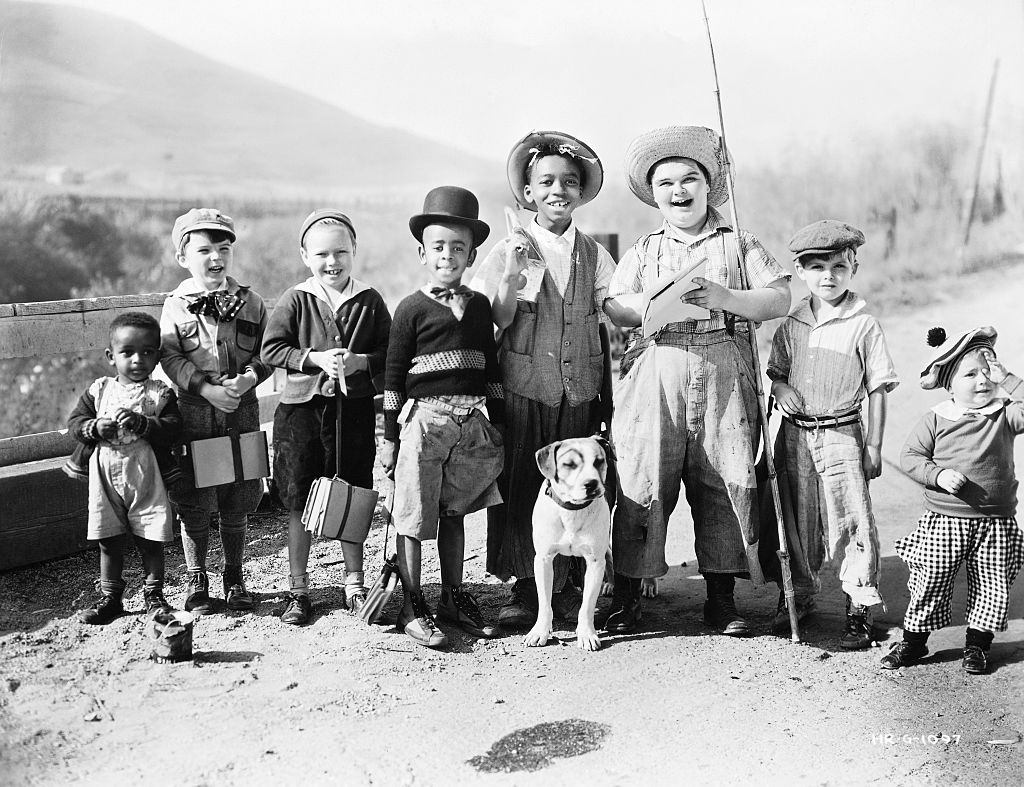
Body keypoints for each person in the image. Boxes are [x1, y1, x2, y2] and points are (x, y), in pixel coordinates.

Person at [603, 125, 791, 636]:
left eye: (690, 180)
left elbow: (779, 299)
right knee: (644, 476)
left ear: (710, 187)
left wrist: (727, 298)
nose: (679, 191)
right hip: (657, 367)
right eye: (666, 184)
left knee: (726, 477)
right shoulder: (644, 250)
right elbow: (616, 306)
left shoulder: (739, 242)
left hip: (724, 366)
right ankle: (628, 593)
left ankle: (721, 598)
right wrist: (650, 304)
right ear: (654, 196)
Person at [469, 130, 615, 627]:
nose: (559, 189)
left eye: (570, 182)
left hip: (580, 388)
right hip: (523, 386)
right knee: (520, 479)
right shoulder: (508, 249)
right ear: (528, 192)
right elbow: (497, 317)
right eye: (547, 181)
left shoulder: (596, 255)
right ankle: (525, 587)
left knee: (583, 475)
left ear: (581, 193)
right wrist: (511, 272)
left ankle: (577, 587)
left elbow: (614, 310)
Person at [381, 186, 505, 648]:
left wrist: (500, 421)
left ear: (472, 256)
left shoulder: (478, 307)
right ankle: (413, 604)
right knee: (412, 516)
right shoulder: (410, 309)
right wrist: (390, 439)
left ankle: (453, 595)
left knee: (455, 512)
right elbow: (393, 377)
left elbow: (490, 367)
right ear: (421, 253)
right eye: (438, 247)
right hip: (424, 424)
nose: (448, 255)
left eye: (458, 248)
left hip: (469, 424)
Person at [766, 220, 898, 648]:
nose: (828, 276)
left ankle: (859, 602)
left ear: (853, 267)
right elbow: (777, 373)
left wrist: (874, 445)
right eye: (817, 267)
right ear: (801, 272)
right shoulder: (792, 322)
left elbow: (878, 389)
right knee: (798, 517)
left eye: (839, 266)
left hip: (842, 433)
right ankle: (799, 594)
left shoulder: (864, 324)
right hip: (795, 436)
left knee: (851, 516)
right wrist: (781, 388)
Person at [262, 210, 391, 625]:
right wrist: (311, 357)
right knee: (298, 500)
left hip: (351, 416)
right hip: (300, 417)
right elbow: (271, 350)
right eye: (321, 254)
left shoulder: (369, 300)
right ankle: (298, 589)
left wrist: (360, 363)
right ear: (304, 255)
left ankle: (354, 584)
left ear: (354, 251)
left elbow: (390, 354)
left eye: (341, 252)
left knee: (352, 494)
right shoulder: (295, 298)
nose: (332, 262)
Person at [882, 327, 1024, 674]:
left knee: (993, 585)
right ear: (949, 383)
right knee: (931, 580)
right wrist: (938, 475)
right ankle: (914, 642)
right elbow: (912, 456)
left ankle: (977, 646)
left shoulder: (1004, 414)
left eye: (988, 372)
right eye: (970, 374)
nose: (982, 381)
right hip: (945, 519)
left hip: (995, 522)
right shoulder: (937, 418)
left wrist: (1009, 379)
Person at [160, 208, 272, 615]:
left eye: (223, 248)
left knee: (238, 493)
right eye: (204, 249)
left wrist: (247, 380)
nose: (215, 258)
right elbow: (171, 357)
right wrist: (204, 387)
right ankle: (197, 579)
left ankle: (235, 577)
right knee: (195, 495)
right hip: (196, 414)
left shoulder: (252, 302)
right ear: (183, 258)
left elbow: (268, 352)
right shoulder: (176, 306)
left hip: (241, 409)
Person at [66, 312, 182, 624]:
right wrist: (95, 427)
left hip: (145, 473)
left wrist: (145, 423)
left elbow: (173, 427)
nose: (137, 360)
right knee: (108, 537)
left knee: (150, 535)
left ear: (157, 356)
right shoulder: (99, 390)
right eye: (127, 352)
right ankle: (111, 597)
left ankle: (154, 594)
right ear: (111, 356)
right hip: (105, 475)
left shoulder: (159, 393)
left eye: (147, 352)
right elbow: (74, 424)